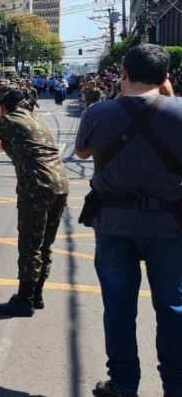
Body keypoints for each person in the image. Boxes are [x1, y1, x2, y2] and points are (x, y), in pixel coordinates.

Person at [72, 44, 182, 397]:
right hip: (171, 227)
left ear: (123, 73)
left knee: (118, 309)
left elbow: (82, 152)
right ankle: (176, 386)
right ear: (166, 77)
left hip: (114, 226)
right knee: (173, 308)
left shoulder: (98, 112)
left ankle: (123, 385)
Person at [0, 86, 69, 317]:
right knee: (44, 243)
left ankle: (24, 300)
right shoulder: (35, 119)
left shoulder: (9, 120)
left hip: (36, 187)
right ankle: (36, 294)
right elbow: (9, 145)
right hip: (59, 184)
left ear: (1, 107)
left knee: (30, 244)